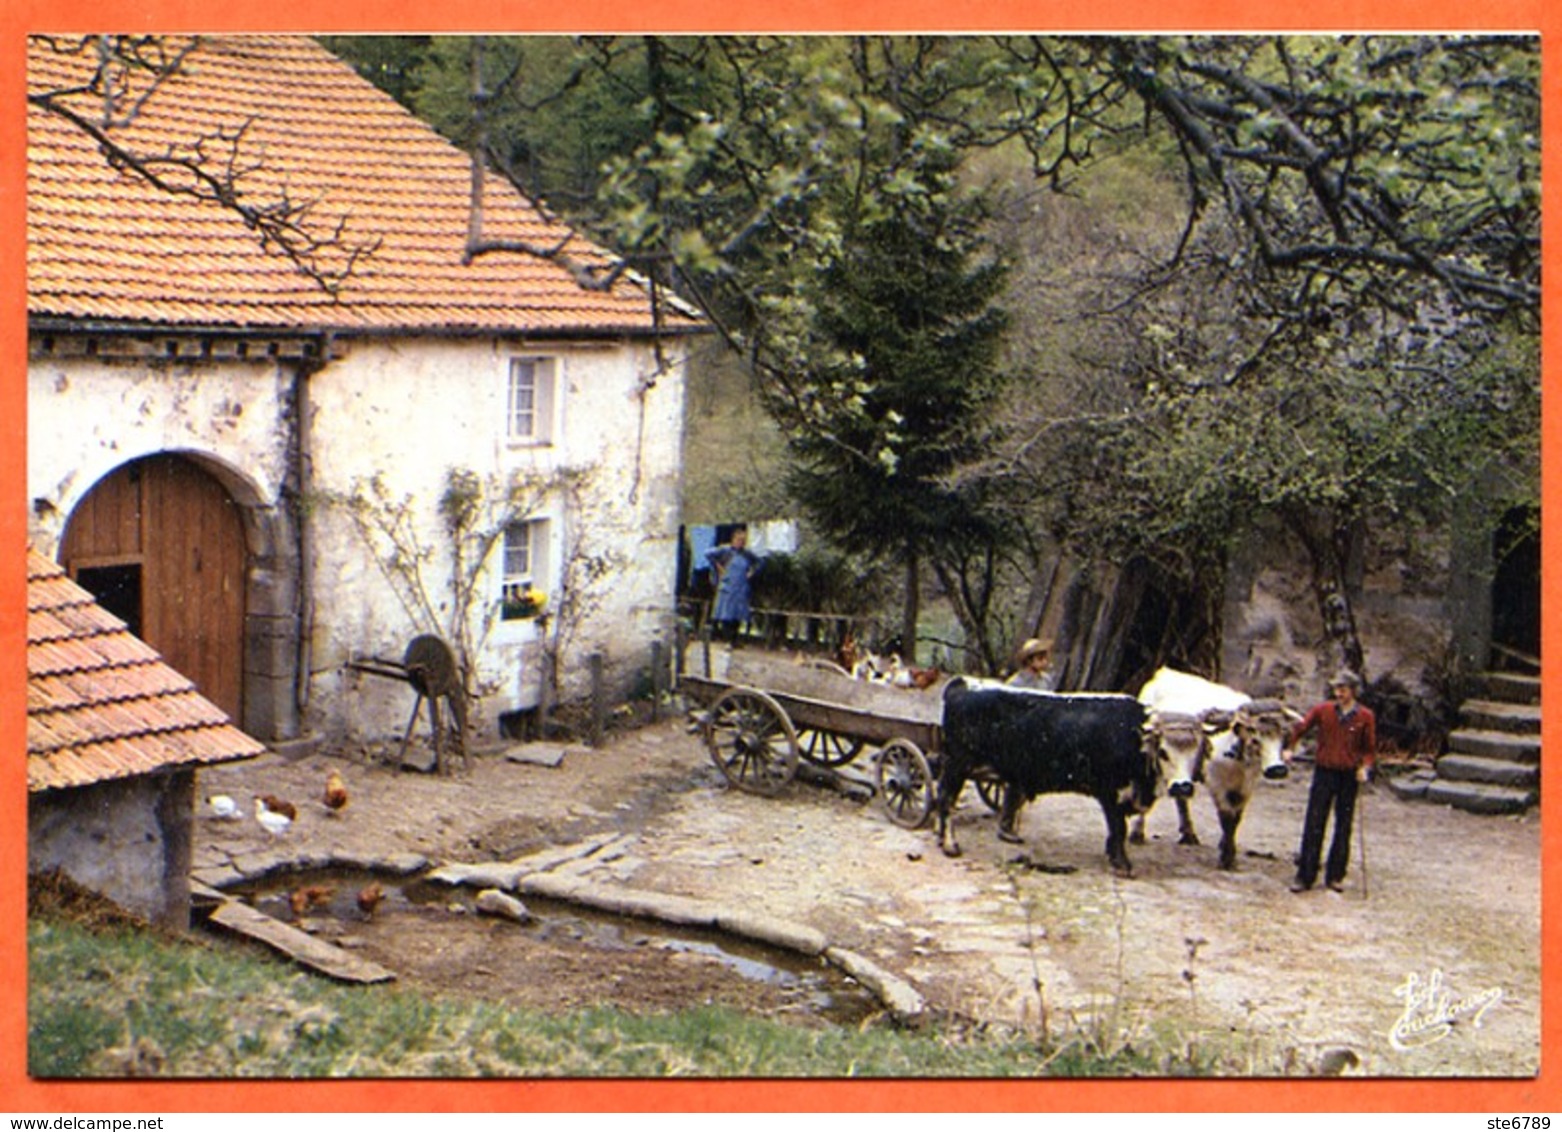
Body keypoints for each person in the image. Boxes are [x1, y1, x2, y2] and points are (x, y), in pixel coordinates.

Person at [1285, 669, 1376, 893]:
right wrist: (1289, 747)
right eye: (1336, 689)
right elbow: (1300, 727)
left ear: (1353, 691)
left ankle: (1335, 875)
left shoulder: (1365, 717)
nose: (1339, 694)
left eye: (1343, 690)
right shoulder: (1323, 710)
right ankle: (1305, 875)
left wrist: (1365, 767)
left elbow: (1369, 749)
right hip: (1324, 772)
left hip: (1348, 775)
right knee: (1314, 822)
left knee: (1344, 825)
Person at [994, 637, 1056, 842]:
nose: (1045, 661)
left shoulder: (1046, 681)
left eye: (1045, 657)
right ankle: (1005, 825)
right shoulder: (1015, 684)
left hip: (1038, 735)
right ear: (1029, 661)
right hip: (1017, 736)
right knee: (1018, 776)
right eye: (1040, 657)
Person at [704, 526, 761, 645]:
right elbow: (708, 553)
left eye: (743, 540)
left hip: (741, 588)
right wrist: (717, 565)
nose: (741, 543)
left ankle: (735, 639)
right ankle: (727, 639)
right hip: (727, 586)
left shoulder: (747, 554)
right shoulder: (726, 551)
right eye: (739, 540)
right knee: (726, 615)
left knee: (738, 615)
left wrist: (751, 572)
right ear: (733, 539)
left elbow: (759, 562)